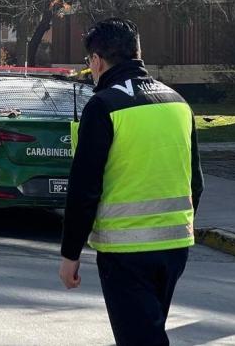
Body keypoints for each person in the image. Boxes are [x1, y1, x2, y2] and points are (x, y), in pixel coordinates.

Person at [59, 18, 204, 346]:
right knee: (147, 332)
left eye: (89, 62)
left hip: (126, 252)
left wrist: (70, 254)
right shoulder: (178, 103)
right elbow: (196, 182)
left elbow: (84, 188)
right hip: (175, 248)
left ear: (96, 61)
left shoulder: (104, 105)